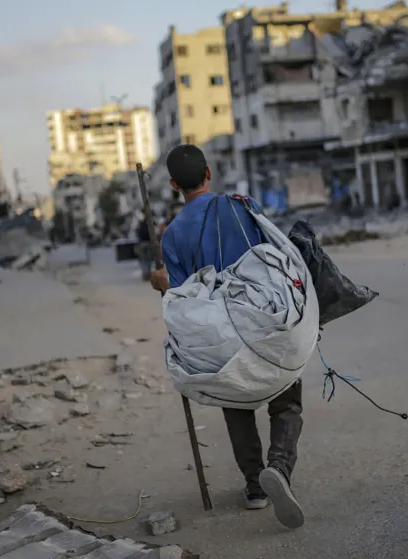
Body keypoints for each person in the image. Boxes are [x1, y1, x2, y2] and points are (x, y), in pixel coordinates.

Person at [150, 144, 305, 529]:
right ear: (209, 173)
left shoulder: (171, 236)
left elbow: (187, 296)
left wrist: (162, 285)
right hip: (264, 321)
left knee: (237, 405)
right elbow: (274, 253)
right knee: (286, 403)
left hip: (221, 333)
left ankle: (255, 487)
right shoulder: (243, 204)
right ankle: (280, 469)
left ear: (173, 185)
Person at [136, 211, 153, 281]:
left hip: (142, 244)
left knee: (144, 260)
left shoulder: (141, 223)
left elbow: (138, 233)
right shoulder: (150, 223)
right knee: (148, 260)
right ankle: (148, 274)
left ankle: (145, 274)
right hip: (148, 243)